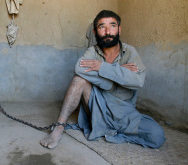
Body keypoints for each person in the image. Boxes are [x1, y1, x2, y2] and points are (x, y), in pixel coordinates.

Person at [40, 10, 165, 149]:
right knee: (79, 80)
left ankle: (110, 131)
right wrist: (120, 72)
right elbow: (79, 69)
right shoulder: (93, 52)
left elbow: (138, 80)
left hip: (124, 113)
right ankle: (58, 128)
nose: (107, 31)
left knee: (156, 135)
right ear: (95, 32)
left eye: (112, 25)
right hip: (97, 107)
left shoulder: (130, 52)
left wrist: (102, 68)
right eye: (102, 27)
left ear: (119, 29)